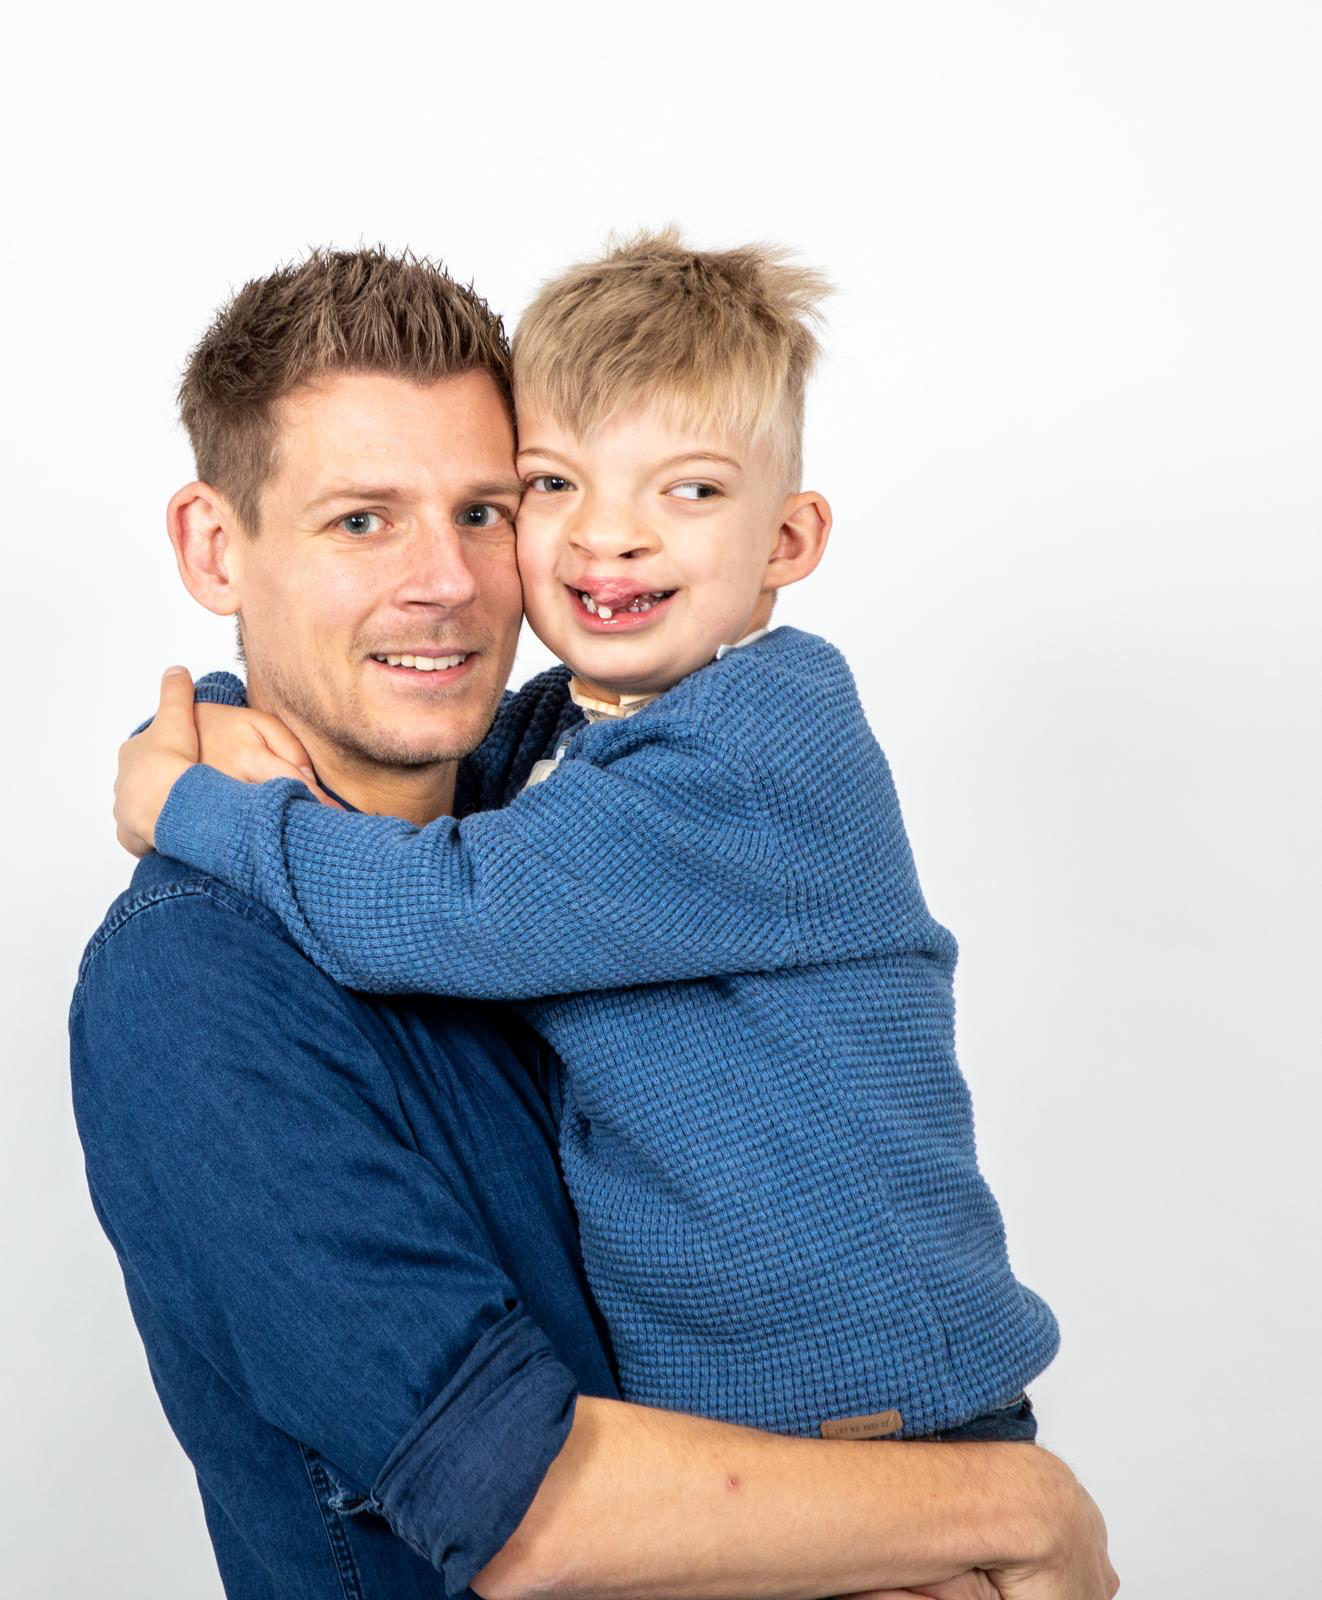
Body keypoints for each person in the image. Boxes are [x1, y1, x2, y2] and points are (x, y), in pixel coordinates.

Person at [77, 244, 1117, 1598]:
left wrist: (191, 775)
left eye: (488, 508)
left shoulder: (554, 820)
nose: (445, 583)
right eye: (358, 521)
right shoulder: (197, 978)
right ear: (217, 548)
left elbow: (482, 829)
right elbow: (523, 1512)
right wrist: (1009, 1507)